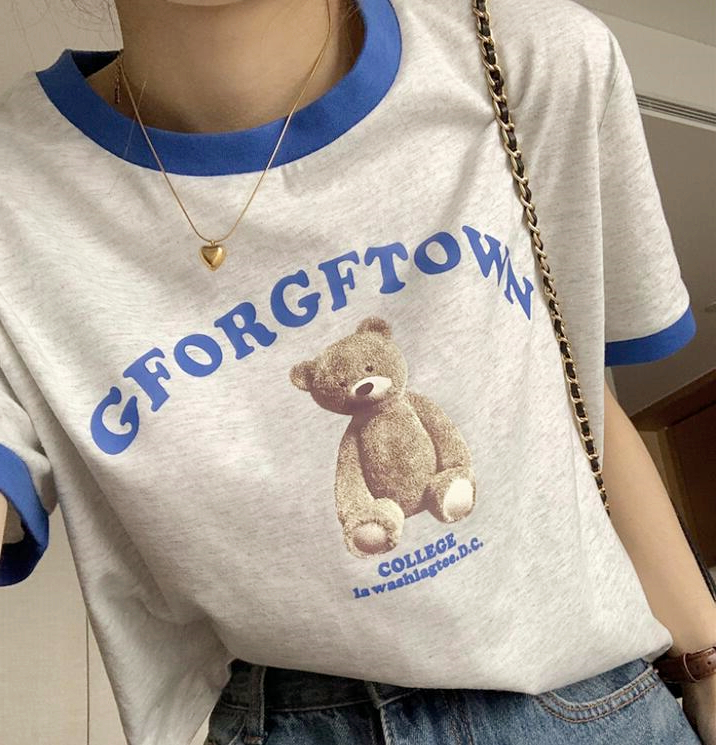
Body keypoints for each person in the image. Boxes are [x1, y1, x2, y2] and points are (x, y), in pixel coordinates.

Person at [0, 0, 714, 743]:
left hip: (587, 695)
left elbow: (577, 401)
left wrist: (707, 661)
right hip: (281, 712)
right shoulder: (15, 192)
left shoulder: (528, 58)